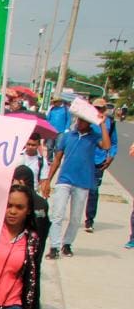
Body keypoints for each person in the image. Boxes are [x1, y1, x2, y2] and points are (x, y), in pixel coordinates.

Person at [44, 104, 111, 259]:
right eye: (78, 120)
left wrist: (101, 125)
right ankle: (54, 246)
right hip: (64, 180)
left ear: (88, 123)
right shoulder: (68, 136)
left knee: (75, 217)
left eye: (82, 121)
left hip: (82, 182)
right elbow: (57, 159)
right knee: (57, 214)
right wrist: (48, 180)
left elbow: (106, 145)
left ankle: (67, 244)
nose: (78, 123)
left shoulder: (94, 137)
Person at [84, 99, 119, 233]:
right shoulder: (86, 120)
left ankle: (89, 220)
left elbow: (114, 142)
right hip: (84, 159)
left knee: (93, 191)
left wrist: (111, 156)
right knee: (77, 191)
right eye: (96, 108)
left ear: (104, 110)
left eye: (100, 108)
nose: (98, 111)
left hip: (99, 160)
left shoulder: (110, 123)